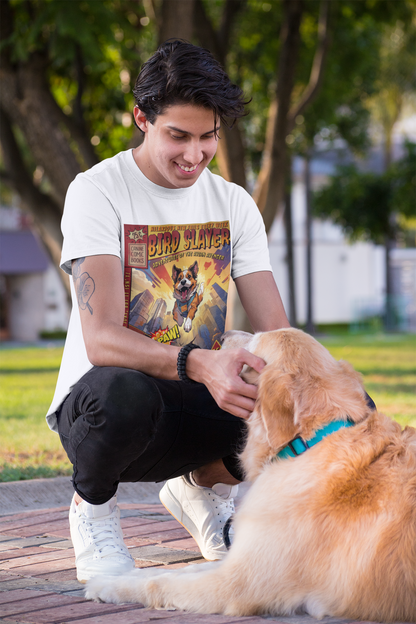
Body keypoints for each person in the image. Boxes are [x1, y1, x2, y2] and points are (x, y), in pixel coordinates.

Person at [46, 39, 290, 583]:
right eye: (177, 135)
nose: (194, 154)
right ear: (142, 119)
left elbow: (279, 333)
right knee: (124, 391)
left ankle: (201, 491)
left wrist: (303, 383)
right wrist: (203, 362)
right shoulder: (97, 192)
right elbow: (102, 339)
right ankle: (93, 509)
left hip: (196, 400)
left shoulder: (233, 203)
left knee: (296, 388)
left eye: (208, 137)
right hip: (104, 407)